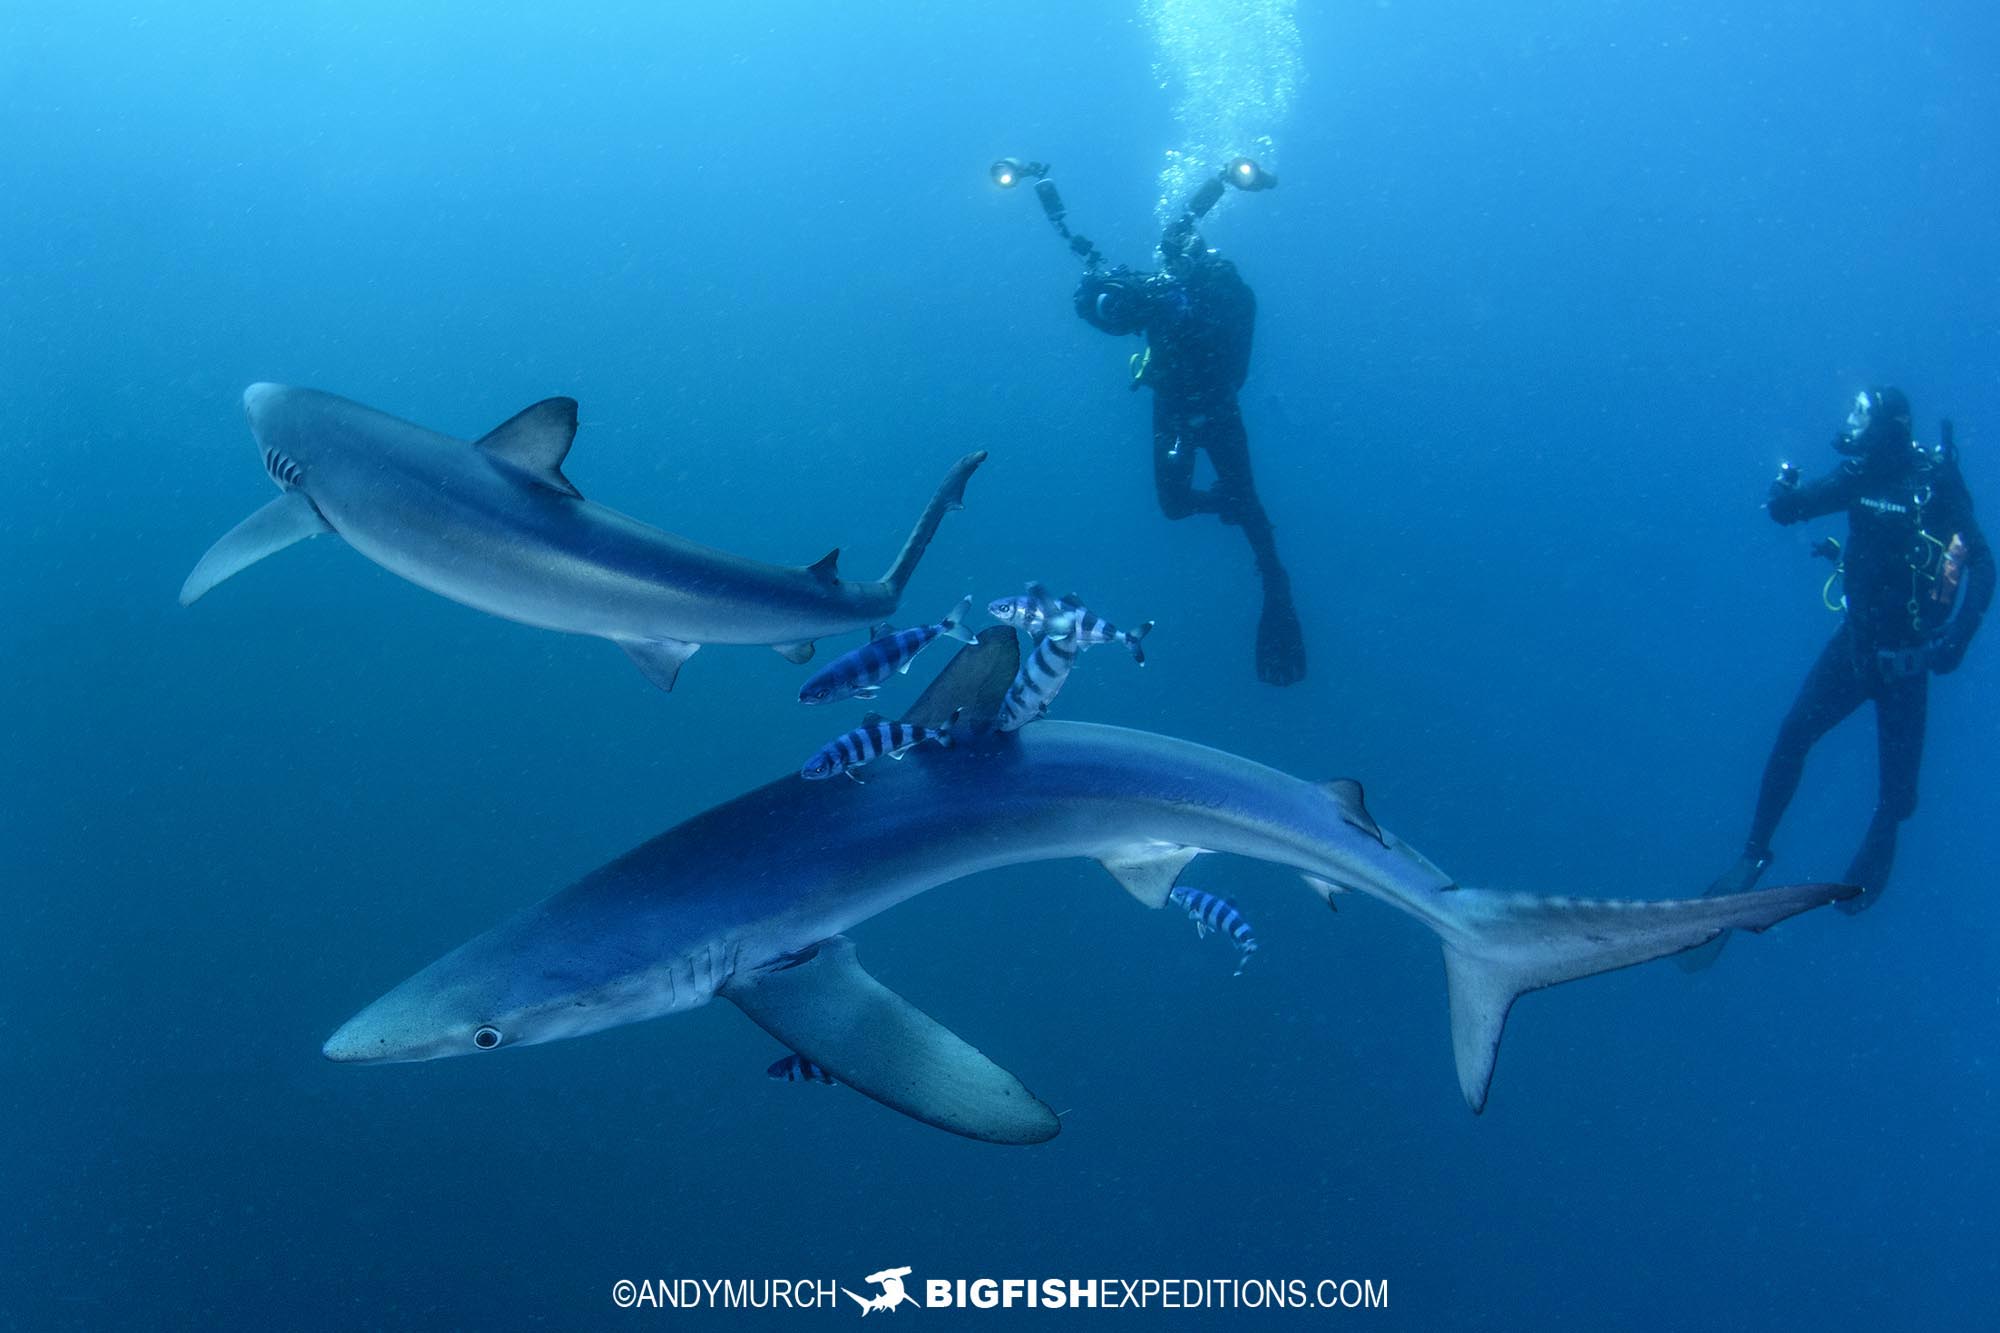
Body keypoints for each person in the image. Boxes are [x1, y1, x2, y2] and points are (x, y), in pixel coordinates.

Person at [997, 156, 1306, 684]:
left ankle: (1274, 584)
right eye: (1170, 257)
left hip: (1217, 406)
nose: (1174, 265)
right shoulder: (1159, 291)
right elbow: (1099, 294)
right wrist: (1098, 298)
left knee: (1251, 510)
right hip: (1174, 408)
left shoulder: (1225, 290)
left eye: (1181, 257)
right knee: (1174, 504)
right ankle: (1234, 507)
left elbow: (1233, 350)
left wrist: (1179, 308)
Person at [1704, 387, 1992, 916]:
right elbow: (1792, 510)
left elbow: (1983, 565)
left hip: (1910, 662)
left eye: (1861, 413)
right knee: (1793, 736)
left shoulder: (1935, 480)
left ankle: (1869, 870)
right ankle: (1752, 857)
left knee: (1897, 798)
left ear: (1888, 424)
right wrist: (1781, 489)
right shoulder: (1858, 476)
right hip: (1855, 650)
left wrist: (1956, 640)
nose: (1850, 423)